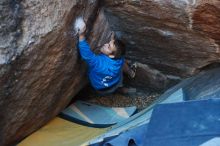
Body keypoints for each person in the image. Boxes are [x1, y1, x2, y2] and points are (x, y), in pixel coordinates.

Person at [77, 20, 136, 95]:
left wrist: (81, 35)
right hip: (116, 81)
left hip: (102, 88)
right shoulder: (118, 59)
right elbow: (119, 55)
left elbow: (87, 55)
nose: (105, 44)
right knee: (119, 88)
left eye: (108, 46)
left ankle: (124, 90)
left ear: (111, 55)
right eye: (108, 43)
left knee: (114, 91)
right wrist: (112, 40)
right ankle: (133, 87)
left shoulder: (99, 64)